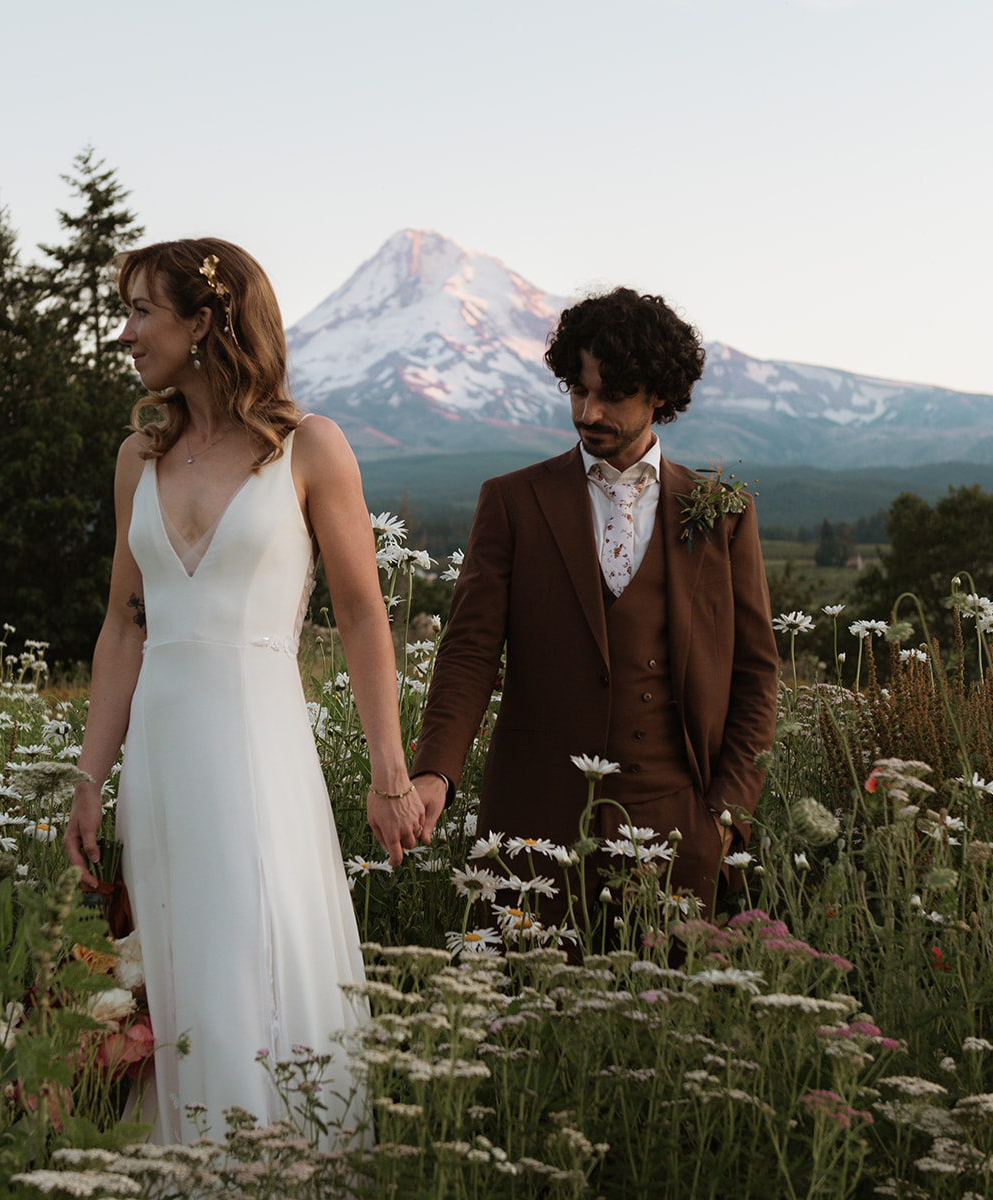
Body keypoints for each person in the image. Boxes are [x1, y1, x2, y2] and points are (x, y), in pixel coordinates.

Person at [62, 237, 422, 1144]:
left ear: (206, 320)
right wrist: (88, 777)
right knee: (173, 974)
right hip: (158, 760)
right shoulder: (135, 459)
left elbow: (363, 615)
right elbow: (124, 625)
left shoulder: (310, 448)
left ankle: (275, 1157)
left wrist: (390, 772)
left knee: (252, 957)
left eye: (143, 311)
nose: (126, 333)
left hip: (258, 749)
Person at [409, 287, 779, 928]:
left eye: (612, 394)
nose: (589, 410)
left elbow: (755, 674)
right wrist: (434, 773)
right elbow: (468, 652)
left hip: (676, 835)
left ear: (659, 393)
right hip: (532, 831)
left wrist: (725, 818)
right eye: (578, 391)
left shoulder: (724, 513)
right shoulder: (512, 502)